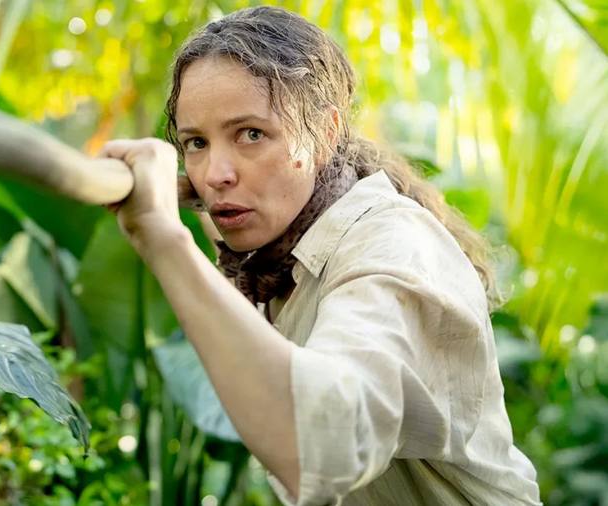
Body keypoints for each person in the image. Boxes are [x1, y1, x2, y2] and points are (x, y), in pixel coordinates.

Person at [99, 6, 541, 505]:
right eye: (196, 142)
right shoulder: (274, 257)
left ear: (327, 132)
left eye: (251, 134)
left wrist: (162, 235)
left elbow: (323, 448)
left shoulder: (394, 245)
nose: (215, 174)